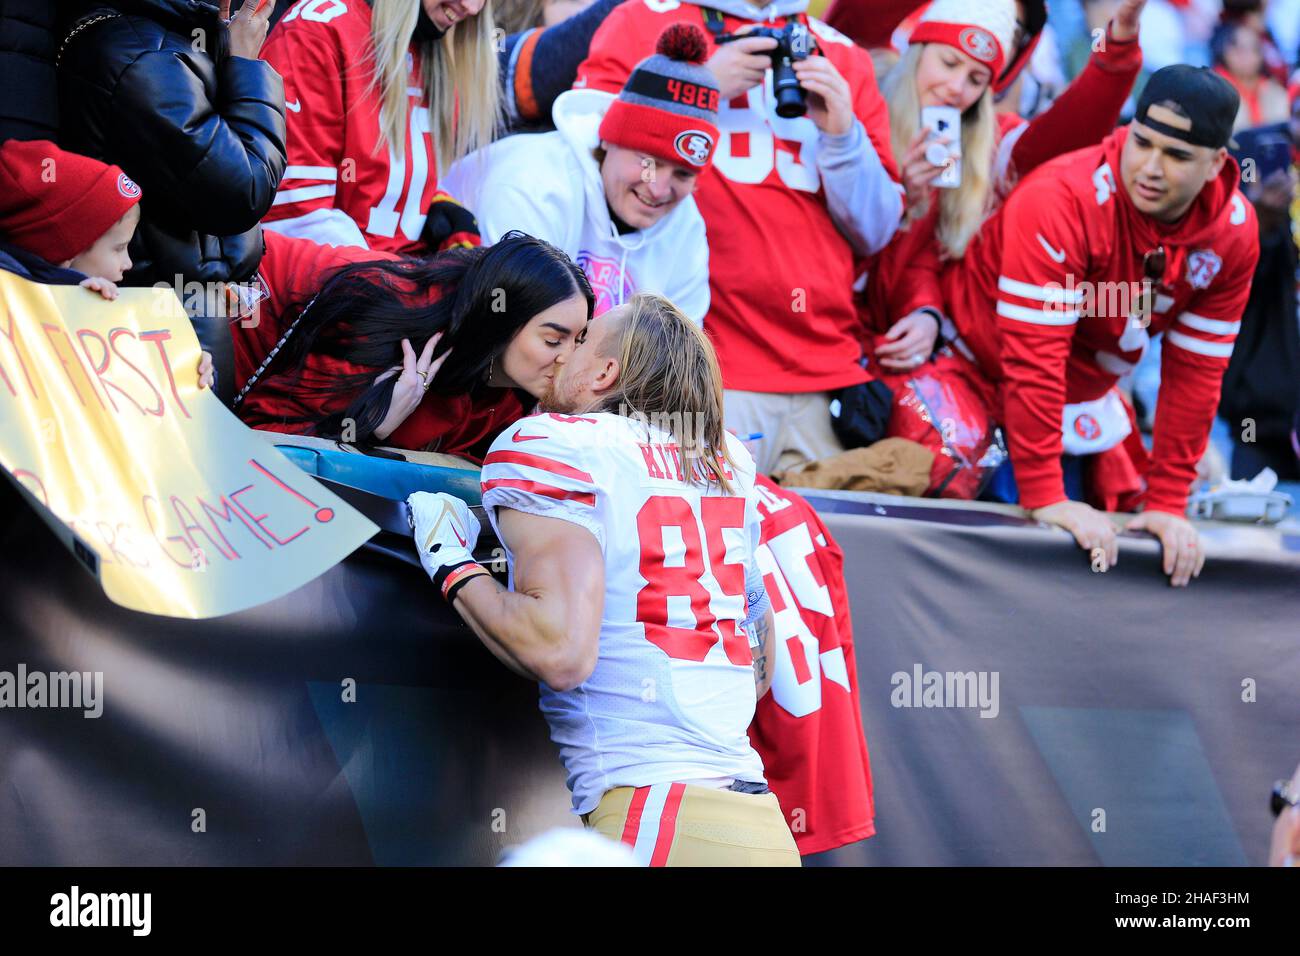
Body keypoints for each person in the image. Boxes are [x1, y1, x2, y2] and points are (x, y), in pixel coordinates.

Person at [407, 293, 799, 866]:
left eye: (582, 339)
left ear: (606, 372)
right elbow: (760, 673)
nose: (565, 352)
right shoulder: (727, 462)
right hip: (762, 828)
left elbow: (562, 652)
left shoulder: (555, 443)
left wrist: (448, 559)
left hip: (660, 820)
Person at [946, 65, 1260, 585]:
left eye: (1177, 155)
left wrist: (1168, 502)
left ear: (1216, 165)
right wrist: (1046, 494)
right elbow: (1034, 357)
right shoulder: (1061, 198)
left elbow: (1196, 373)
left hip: (1086, 391)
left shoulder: (1233, 234)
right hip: (974, 373)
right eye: (1142, 142)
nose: (1150, 167)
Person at [575, 0, 903, 475]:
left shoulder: (842, 56)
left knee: (809, 546)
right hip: (696, 372)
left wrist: (843, 137)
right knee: (692, 544)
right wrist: (692, 88)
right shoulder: (642, 17)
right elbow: (590, 159)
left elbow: (875, 231)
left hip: (824, 375)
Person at [232, 230, 592, 459]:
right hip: (219, 306)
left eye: (578, 340)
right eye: (552, 339)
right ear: (500, 322)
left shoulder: (510, 388)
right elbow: (260, 435)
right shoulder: (395, 320)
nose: (567, 358)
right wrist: (369, 424)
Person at [446, 23, 716, 324]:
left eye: (683, 174)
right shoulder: (533, 182)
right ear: (609, 137)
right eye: (648, 162)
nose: (659, 189)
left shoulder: (686, 224)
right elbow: (507, 335)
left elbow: (681, 356)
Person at [56, 0, 286, 289]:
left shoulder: (157, 39)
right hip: (158, 307)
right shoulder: (144, 59)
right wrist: (245, 66)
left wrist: (222, 51)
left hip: (176, 298)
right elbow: (245, 189)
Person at [260, 0, 498, 255]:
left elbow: (383, 176)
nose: (472, 8)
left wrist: (436, 203)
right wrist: (407, 284)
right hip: (337, 284)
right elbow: (293, 217)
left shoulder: (434, 43)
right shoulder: (319, 30)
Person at [0, 139, 214, 388]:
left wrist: (190, 370)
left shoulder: (117, 312)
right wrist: (76, 303)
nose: (129, 264)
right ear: (66, 252)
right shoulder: (15, 318)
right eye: (119, 248)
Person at [1211, 20, 1288, 131]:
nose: (1248, 55)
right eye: (1241, 49)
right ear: (1227, 52)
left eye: (1254, 49)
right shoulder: (1214, 89)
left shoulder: (1274, 91)